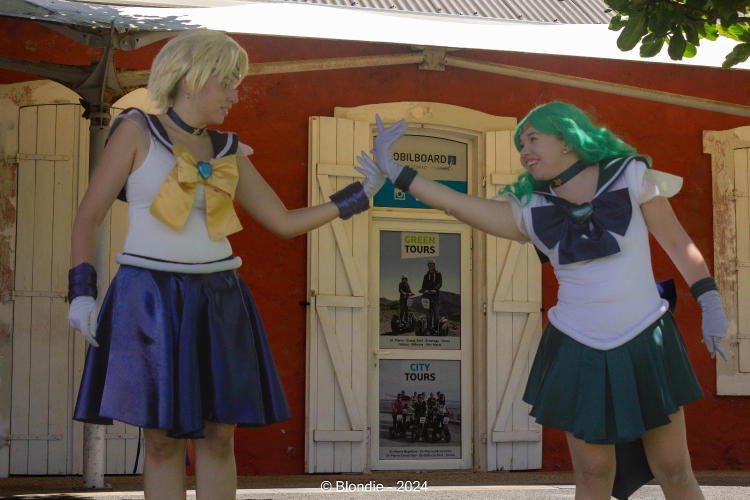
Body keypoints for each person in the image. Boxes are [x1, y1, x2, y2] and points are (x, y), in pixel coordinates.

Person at [67, 29, 384, 500]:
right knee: (161, 442)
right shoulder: (135, 129)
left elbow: (283, 221)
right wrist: (82, 293)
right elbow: (88, 216)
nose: (235, 96)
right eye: (227, 84)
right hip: (149, 297)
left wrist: (362, 193)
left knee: (218, 437)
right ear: (190, 78)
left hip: (219, 299)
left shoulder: (229, 149)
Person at [358, 103, 728, 500]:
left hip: (645, 338)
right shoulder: (527, 205)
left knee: (674, 470)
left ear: (567, 138)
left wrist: (710, 302)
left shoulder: (630, 174)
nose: (524, 151)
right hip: (578, 346)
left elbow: (677, 242)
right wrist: (394, 169)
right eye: (520, 144)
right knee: (593, 474)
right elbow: (454, 202)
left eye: (533, 139)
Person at [419, 259, 442, 332]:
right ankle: (429, 328)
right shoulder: (426, 276)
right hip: (427, 297)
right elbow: (423, 284)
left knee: (436, 313)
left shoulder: (438, 274)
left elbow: (440, 283)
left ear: (434, 266)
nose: (431, 266)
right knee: (428, 313)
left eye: (432, 264)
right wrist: (422, 289)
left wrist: (435, 289)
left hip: (435, 296)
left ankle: (436, 328)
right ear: (428, 266)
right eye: (429, 265)